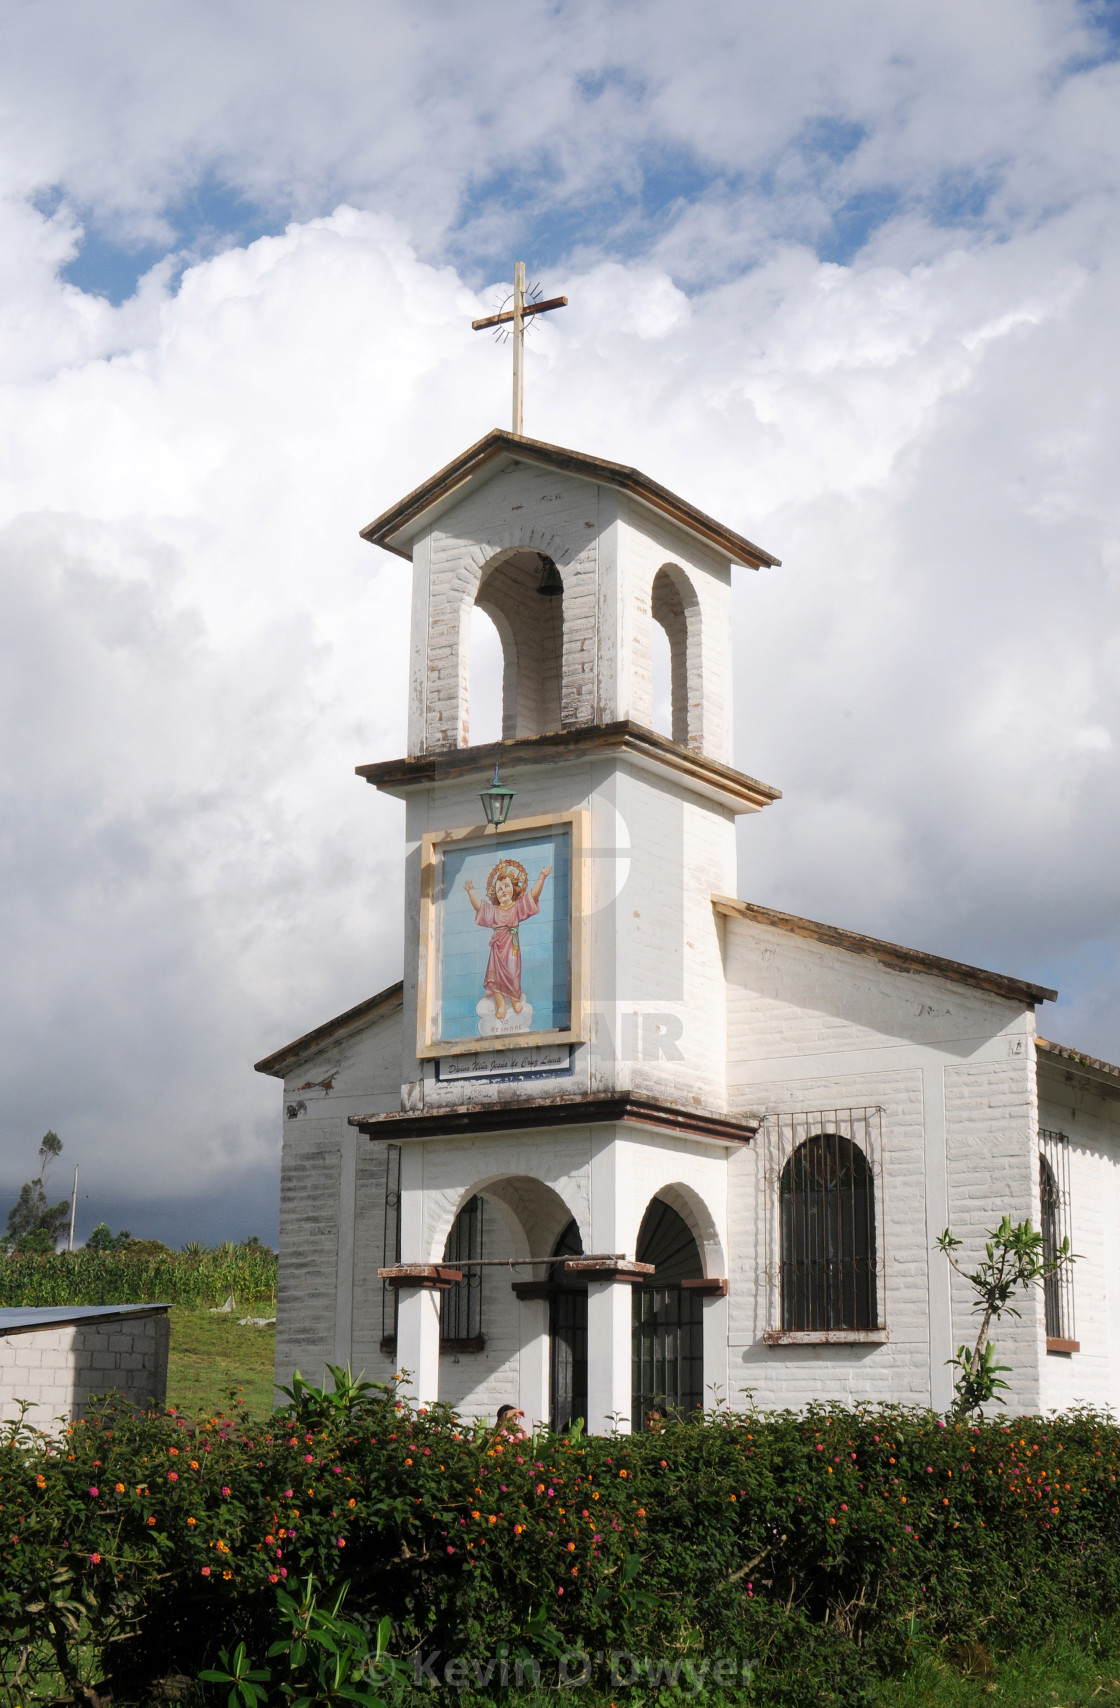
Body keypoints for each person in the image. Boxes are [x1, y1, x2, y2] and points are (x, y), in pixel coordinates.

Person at [463, 858, 552, 1020]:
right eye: (499, 889)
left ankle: (515, 1000)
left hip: (512, 947)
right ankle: (501, 1004)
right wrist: (471, 891)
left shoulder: (517, 906)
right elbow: (479, 906)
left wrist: (542, 876)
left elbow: (533, 895)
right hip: (497, 949)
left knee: (513, 972)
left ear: (514, 888)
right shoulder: (494, 911)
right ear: (495, 895)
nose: (503, 891)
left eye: (506, 886)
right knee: (495, 976)